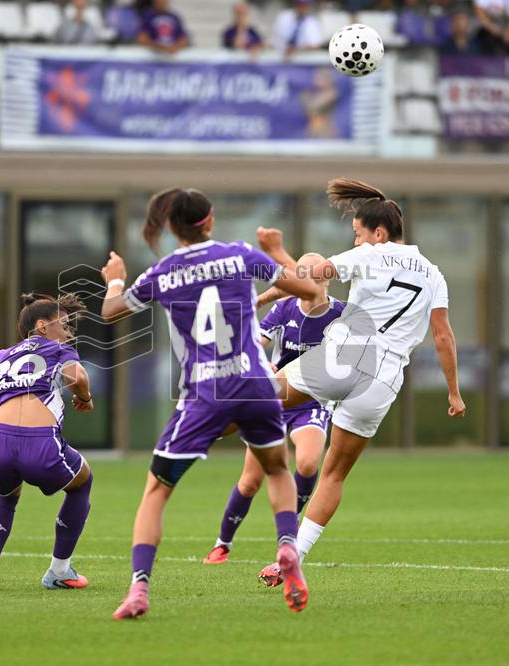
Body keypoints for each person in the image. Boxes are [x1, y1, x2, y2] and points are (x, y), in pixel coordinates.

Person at [100, 187, 320, 619]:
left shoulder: (161, 272)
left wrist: (115, 276)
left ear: (172, 227)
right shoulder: (240, 255)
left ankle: (139, 589)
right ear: (210, 220)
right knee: (277, 468)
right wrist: (275, 251)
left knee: (157, 490)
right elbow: (308, 288)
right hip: (256, 384)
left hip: (205, 393)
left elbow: (110, 311)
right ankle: (287, 546)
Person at [253, 179, 467, 586]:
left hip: (345, 354)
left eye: (357, 234)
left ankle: (201, 423)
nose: (355, 241)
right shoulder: (434, 275)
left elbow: (308, 278)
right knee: (333, 475)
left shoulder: (370, 255)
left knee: (259, 397)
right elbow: (443, 336)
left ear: (378, 234)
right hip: (383, 380)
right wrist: (454, 392)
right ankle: (292, 557)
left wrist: (264, 296)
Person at [203, 252, 346, 565]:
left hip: (312, 401)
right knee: (251, 480)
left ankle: (290, 523)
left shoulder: (341, 314)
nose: (312, 280)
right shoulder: (284, 308)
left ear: (328, 278)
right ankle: (222, 543)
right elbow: (254, 344)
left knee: (308, 463)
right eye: (304, 274)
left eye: (318, 274)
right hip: (277, 399)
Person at [0, 293, 95, 592]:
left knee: (6, 495)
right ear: (43, 326)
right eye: (65, 323)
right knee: (83, 481)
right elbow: (79, 377)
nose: (69, 330)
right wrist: (83, 398)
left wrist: (2, 384)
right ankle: (59, 570)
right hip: (40, 445)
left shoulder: (2, 355)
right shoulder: (58, 349)